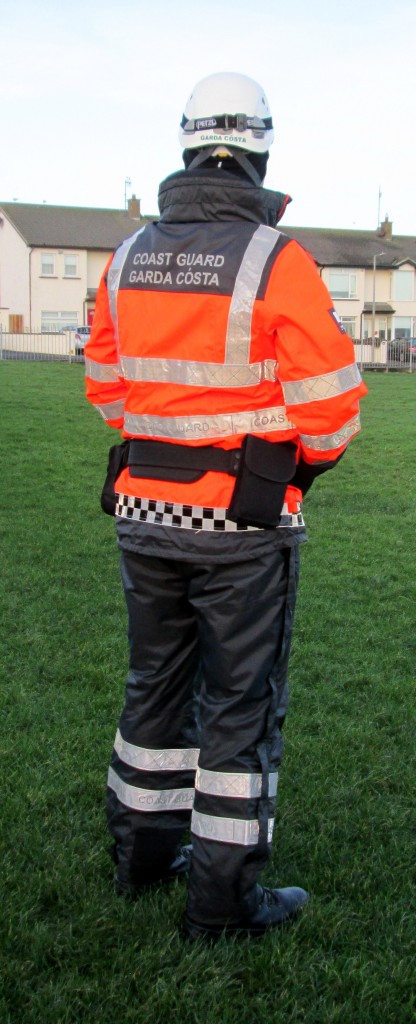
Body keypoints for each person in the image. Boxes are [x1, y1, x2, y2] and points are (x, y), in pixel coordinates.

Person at [85, 71, 367, 941]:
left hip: (143, 511)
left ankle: (141, 859)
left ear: (187, 145)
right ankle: (222, 904)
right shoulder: (275, 259)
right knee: (239, 708)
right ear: (260, 149)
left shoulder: (127, 255)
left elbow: (105, 384)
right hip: (242, 526)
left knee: (154, 693)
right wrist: (288, 470)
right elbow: (332, 408)